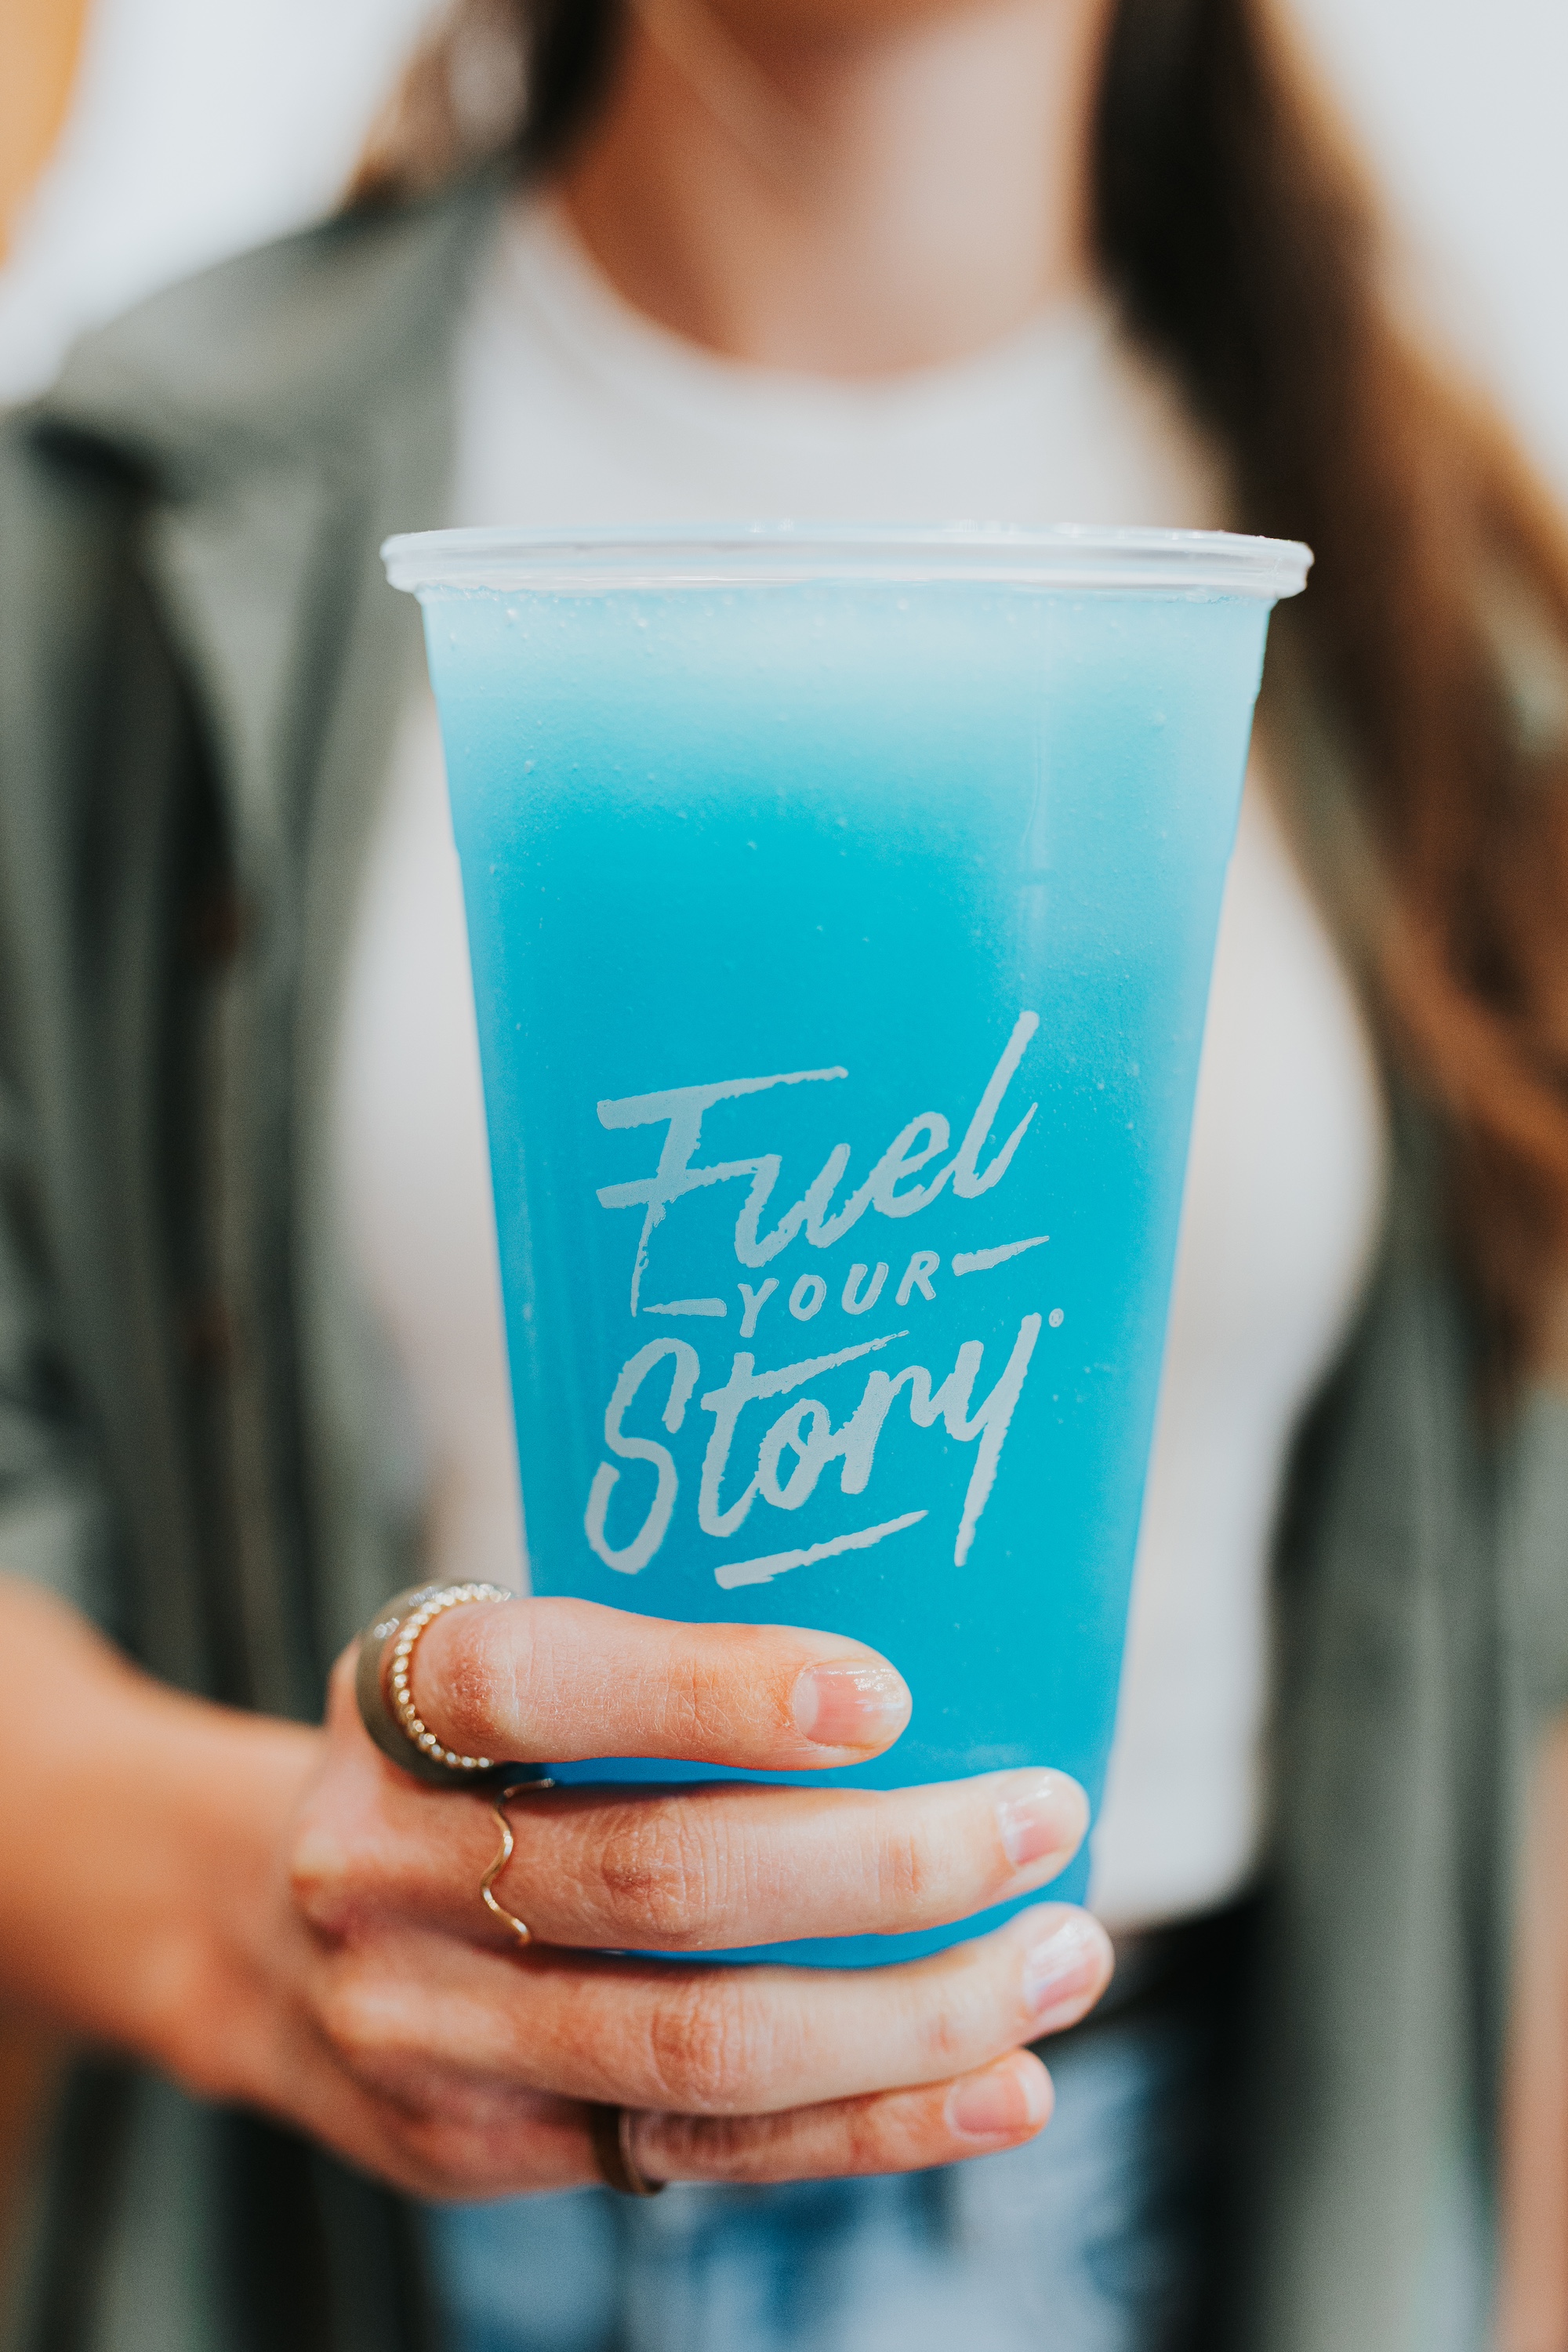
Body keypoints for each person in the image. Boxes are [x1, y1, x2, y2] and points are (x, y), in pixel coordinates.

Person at [2, 1, 1568, 2348]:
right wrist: (257, 1901)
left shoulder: (1456, 598)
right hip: (347, 2241)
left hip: (1171, 2204)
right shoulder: (112, 522)